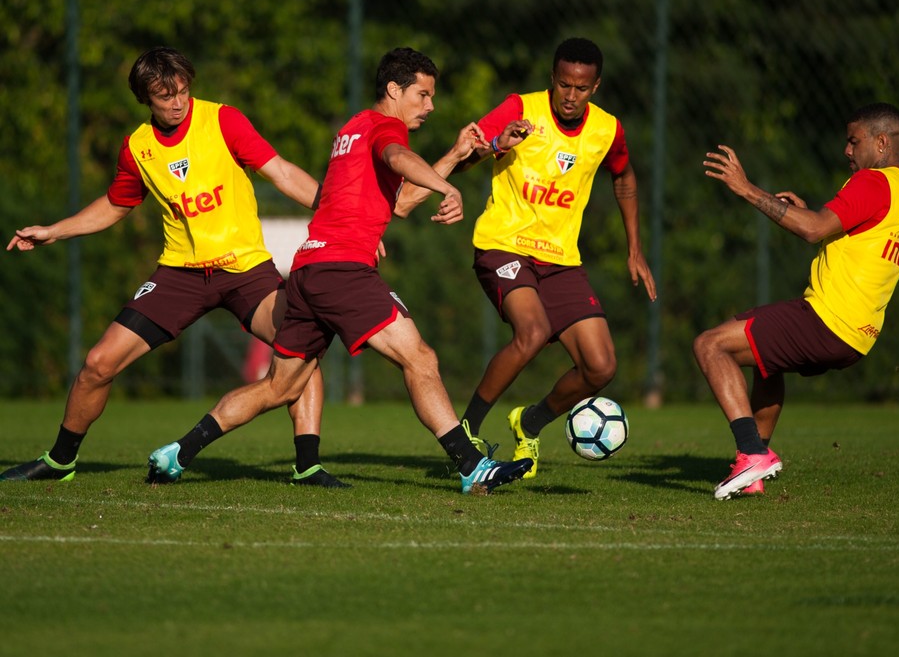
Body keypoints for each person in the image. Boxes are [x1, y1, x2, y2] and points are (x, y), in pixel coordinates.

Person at [147, 47, 532, 494]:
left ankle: (178, 452)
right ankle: (471, 466)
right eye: (423, 95)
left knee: (279, 387)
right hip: (341, 270)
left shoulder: (352, 127)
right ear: (394, 89)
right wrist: (446, 185)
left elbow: (401, 202)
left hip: (309, 269)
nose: (430, 106)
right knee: (420, 357)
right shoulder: (386, 129)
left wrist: (453, 156)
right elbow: (397, 159)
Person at [0, 47, 337, 487]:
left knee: (300, 347)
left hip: (246, 270)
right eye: (164, 95)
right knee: (98, 364)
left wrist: (338, 218)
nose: (177, 102)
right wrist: (55, 230)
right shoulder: (138, 148)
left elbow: (283, 172)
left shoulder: (222, 120)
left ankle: (307, 465)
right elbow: (115, 205)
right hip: (179, 275)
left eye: (181, 91)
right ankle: (60, 461)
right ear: (145, 99)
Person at [396, 37, 656, 479]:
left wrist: (635, 248)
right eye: (563, 84)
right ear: (552, 79)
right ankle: (467, 432)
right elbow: (464, 157)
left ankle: (529, 422)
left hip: (560, 260)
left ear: (596, 87)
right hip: (504, 244)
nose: (570, 95)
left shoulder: (607, 130)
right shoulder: (520, 108)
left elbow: (625, 176)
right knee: (532, 331)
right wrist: (497, 142)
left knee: (600, 366)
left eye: (581, 87)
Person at [695, 102, 899, 500]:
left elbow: (814, 230)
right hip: (858, 335)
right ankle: (754, 467)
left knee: (710, 344)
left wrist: (746, 188)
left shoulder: (872, 182)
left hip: (826, 320)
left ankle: (751, 454)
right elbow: (849, 235)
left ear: (882, 142)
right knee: (766, 363)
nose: (847, 151)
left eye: (855, 141)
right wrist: (806, 214)